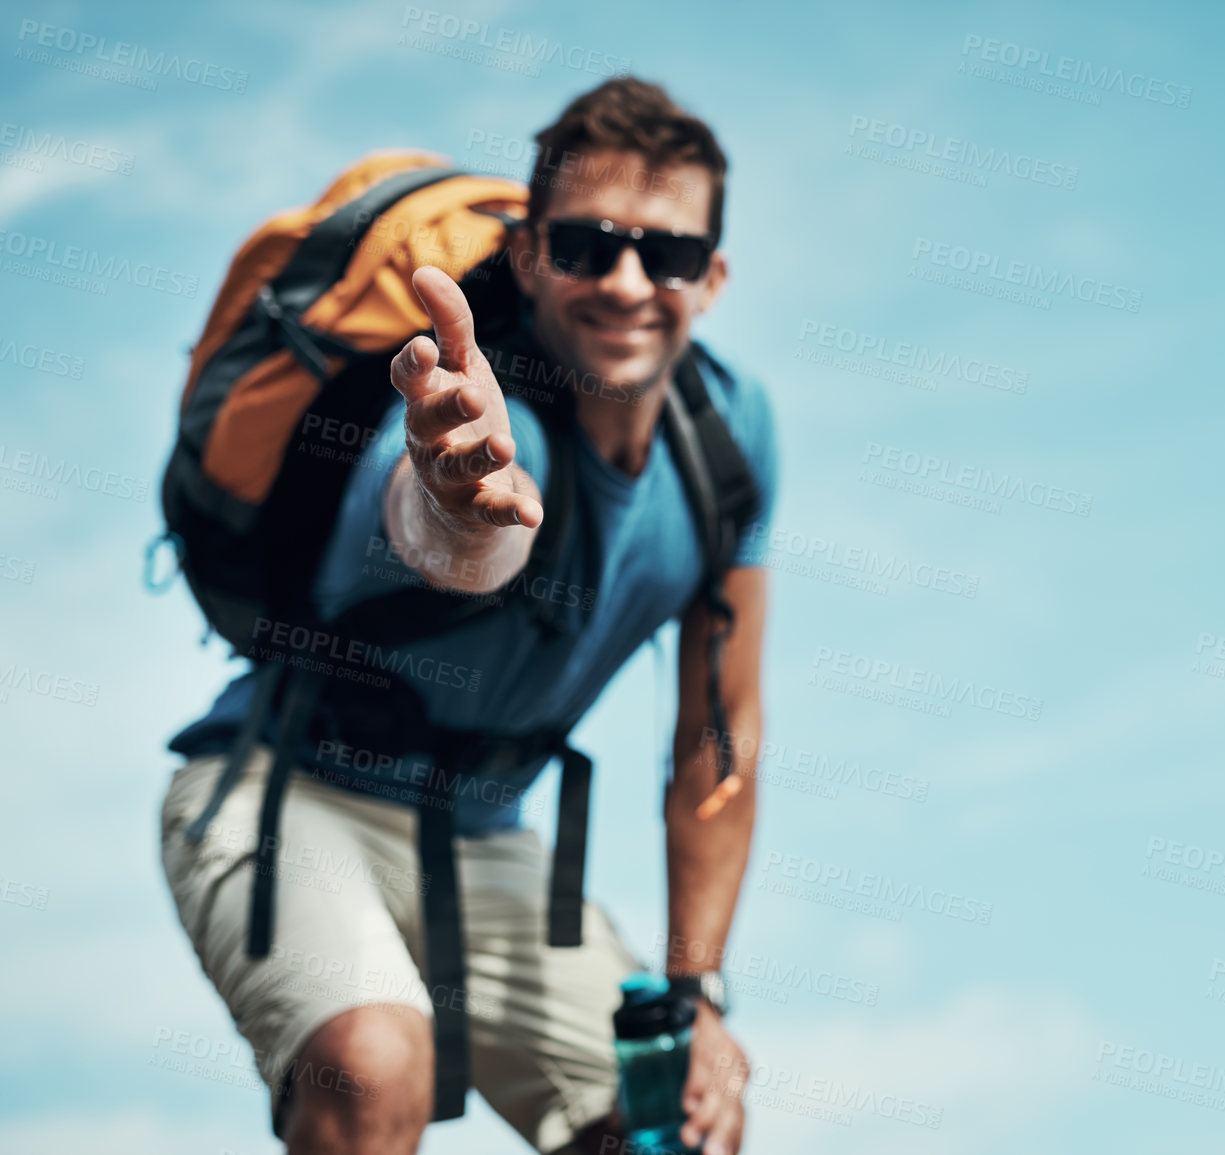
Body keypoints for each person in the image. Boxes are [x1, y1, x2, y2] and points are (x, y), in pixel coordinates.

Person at [158, 77, 775, 1155]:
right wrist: (461, 493)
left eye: (667, 255)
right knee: (370, 1066)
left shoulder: (730, 440)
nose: (628, 283)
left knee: (669, 1123)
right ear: (531, 256)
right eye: (587, 245)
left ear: (711, 279)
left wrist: (697, 992)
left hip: (484, 840)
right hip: (283, 794)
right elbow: (451, 534)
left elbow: (714, 741)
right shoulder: (461, 402)